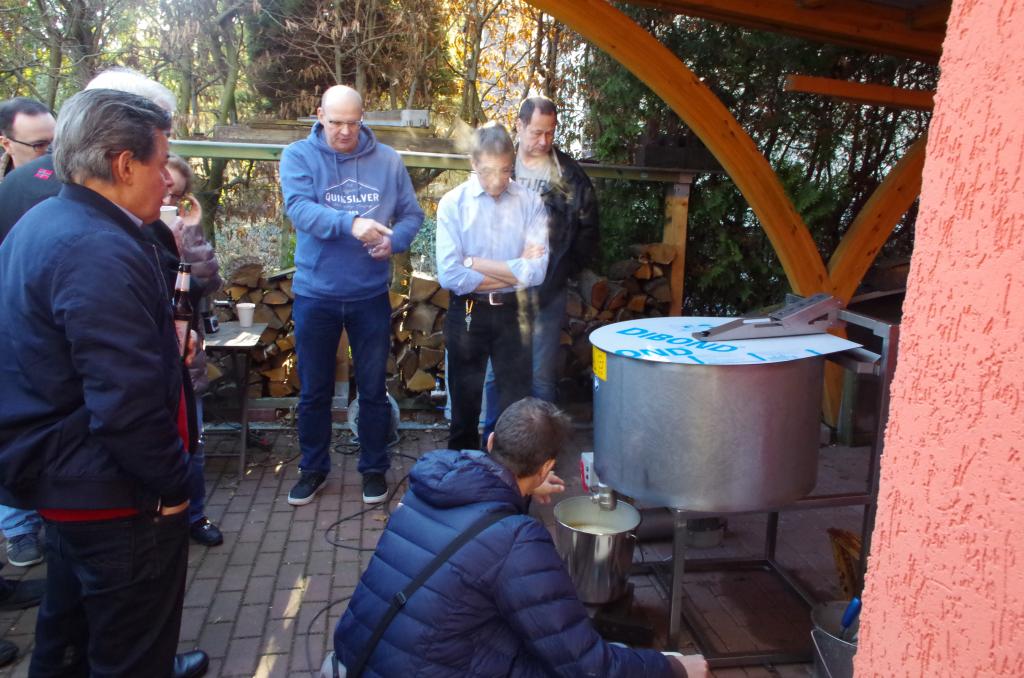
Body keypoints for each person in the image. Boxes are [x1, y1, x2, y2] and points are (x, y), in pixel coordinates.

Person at [0, 89, 208, 678]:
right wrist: (172, 486)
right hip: (112, 496)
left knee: (68, 639)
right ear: (123, 164)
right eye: (161, 160)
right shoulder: (96, 247)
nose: (169, 178)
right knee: (130, 654)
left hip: (69, 483)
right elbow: (126, 405)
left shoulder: (48, 219)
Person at [330, 397, 707, 677]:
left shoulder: (426, 489)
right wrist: (674, 668)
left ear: (491, 442)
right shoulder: (519, 541)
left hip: (350, 660)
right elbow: (589, 666)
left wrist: (521, 489)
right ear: (546, 466)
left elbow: (483, 527)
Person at [280, 85, 424, 506]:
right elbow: (300, 209)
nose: (344, 131)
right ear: (319, 114)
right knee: (314, 390)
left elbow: (412, 214)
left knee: (374, 388)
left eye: (352, 122)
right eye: (335, 121)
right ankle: (313, 469)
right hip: (315, 292)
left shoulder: (388, 161)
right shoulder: (298, 156)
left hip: (369, 295)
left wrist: (393, 241)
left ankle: (374, 469)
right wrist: (352, 223)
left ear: (364, 119)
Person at [482, 96, 600, 434]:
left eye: (550, 133)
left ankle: (542, 447)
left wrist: (562, 270)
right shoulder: (500, 168)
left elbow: (589, 230)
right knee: (494, 371)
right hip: (499, 287)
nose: (544, 141)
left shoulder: (570, 176)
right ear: (518, 126)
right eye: (536, 132)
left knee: (541, 375)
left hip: (548, 290)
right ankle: (493, 440)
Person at [436, 122, 548, 452]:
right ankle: (461, 483)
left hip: (515, 313)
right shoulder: (453, 204)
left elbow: (537, 272)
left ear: (512, 165)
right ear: (473, 164)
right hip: (468, 310)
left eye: (504, 171)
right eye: (487, 171)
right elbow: (450, 276)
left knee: (516, 409)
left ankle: (513, 490)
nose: (497, 181)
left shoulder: (530, 202)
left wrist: (474, 262)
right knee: (464, 408)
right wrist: (515, 269)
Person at [164, 153, 224, 547]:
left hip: (186, 352)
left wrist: (189, 232)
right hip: (147, 351)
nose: (167, 192)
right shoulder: (121, 226)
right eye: (162, 182)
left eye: (176, 189)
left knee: (193, 443)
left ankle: (195, 516)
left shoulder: (188, 229)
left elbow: (209, 281)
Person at [0, 97, 54, 179]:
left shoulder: (73, 179)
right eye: (40, 145)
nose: (53, 150)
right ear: (7, 145)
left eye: (57, 141)